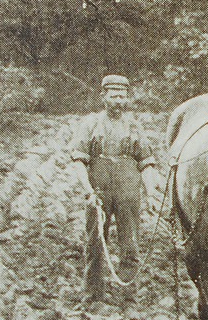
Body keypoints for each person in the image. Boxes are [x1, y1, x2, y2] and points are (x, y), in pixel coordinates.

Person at [69, 74, 162, 303]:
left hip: (128, 191)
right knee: (95, 242)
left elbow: (147, 163)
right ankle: (92, 296)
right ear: (104, 96)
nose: (119, 101)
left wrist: (151, 193)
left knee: (130, 243)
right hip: (99, 191)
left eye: (123, 96)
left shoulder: (134, 126)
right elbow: (79, 161)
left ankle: (129, 298)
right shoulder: (90, 124)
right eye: (114, 96)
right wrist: (89, 192)